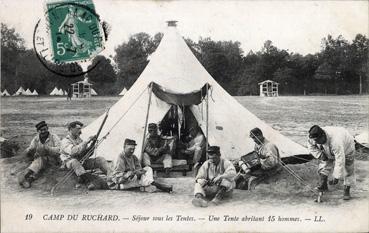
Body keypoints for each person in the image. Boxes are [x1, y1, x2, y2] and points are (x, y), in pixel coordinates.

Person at [307, 125, 355, 200]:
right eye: (315, 141)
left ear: (323, 136)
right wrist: (320, 155)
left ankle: (346, 190)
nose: (316, 142)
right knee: (324, 164)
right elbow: (310, 146)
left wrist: (336, 176)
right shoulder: (313, 137)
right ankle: (323, 185)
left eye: (318, 141)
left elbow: (340, 159)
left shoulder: (336, 141)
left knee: (348, 169)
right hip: (329, 148)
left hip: (347, 147)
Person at [60, 121, 112, 190]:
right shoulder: (65, 141)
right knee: (74, 161)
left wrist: (91, 147)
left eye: (80, 129)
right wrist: (87, 141)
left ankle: (111, 178)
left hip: (81, 162)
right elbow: (73, 151)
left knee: (100, 159)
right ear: (71, 129)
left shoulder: (79, 140)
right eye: (78, 129)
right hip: (69, 163)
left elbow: (86, 155)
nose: (80, 131)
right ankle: (87, 182)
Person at [108, 139, 173, 193]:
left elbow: (139, 169)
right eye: (130, 149)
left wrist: (140, 172)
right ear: (124, 147)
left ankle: (145, 186)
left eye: (133, 149)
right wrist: (128, 175)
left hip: (132, 179)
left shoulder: (133, 157)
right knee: (142, 181)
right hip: (120, 183)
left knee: (148, 168)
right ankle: (157, 186)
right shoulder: (120, 157)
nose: (132, 151)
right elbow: (117, 179)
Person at [17, 121, 61, 188]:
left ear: (47, 129)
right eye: (41, 130)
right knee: (40, 160)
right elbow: (31, 147)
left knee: (40, 157)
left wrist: (47, 148)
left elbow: (60, 149)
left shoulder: (54, 137)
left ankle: (27, 175)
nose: (43, 131)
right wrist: (26, 152)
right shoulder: (36, 138)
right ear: (38, 131)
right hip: (41, 160)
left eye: (45, 129)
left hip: (53, 159)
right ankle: (29, 179)